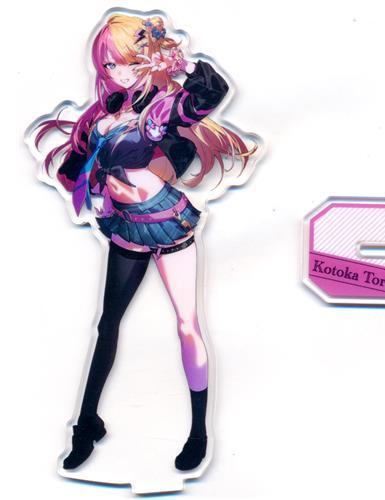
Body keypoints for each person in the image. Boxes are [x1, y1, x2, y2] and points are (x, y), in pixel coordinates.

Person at [35, 13, 255, 472]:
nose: (118, 72)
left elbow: (209, 95)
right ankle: (86, 423)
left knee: (187, 324)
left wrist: (183, 67)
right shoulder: (99, 117)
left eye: (127, 62)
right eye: (110, 64)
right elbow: (73, 168)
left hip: (168, 222)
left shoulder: (157, 110)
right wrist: (94, 187)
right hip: (126, 226)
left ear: (145, 61)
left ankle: (199, 433)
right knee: (107, 324)